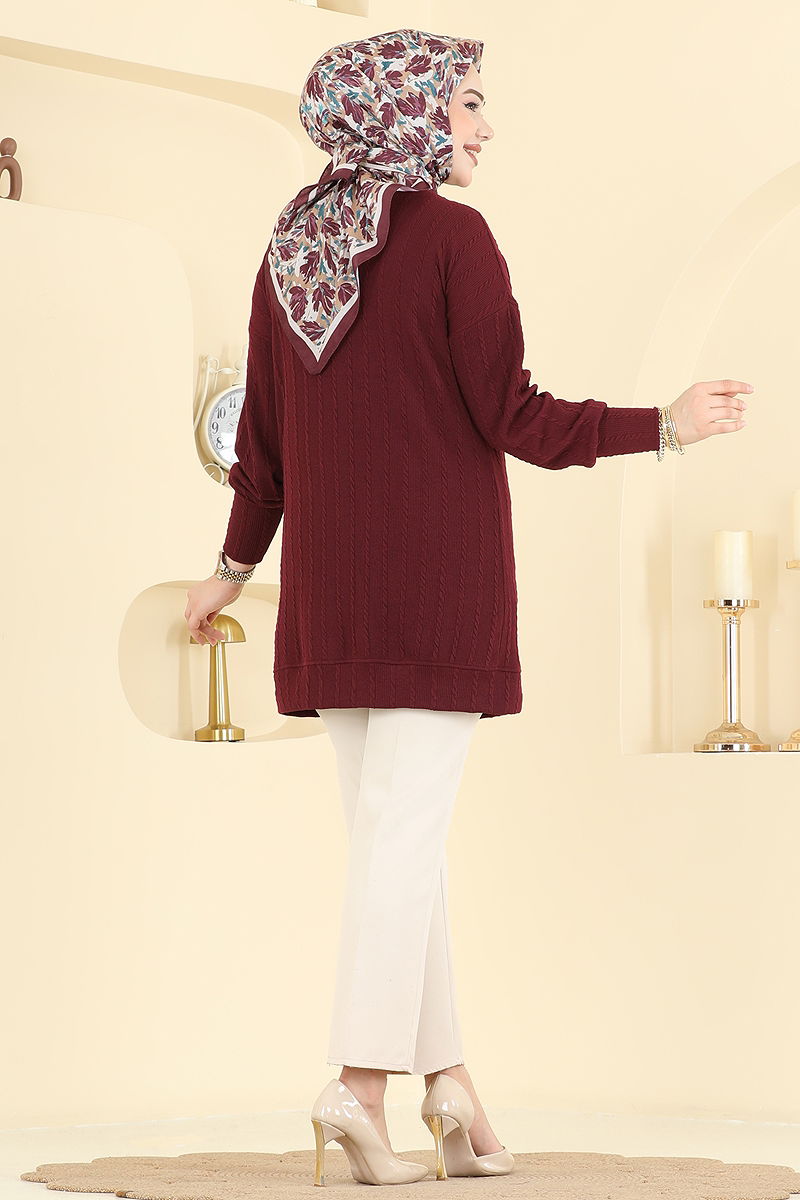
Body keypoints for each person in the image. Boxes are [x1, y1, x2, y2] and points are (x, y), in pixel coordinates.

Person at [184, 27, 752, 1187]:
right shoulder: (452, 239)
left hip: (332, 605)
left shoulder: (290, 251)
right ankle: (357, 1090)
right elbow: (515, 416)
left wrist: (232, 571)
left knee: (398, 850)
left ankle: (449, 1088)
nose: (485, 129)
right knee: (400, 847)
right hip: (435, 596)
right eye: (467, 105)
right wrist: (661, 426)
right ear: (403, 112)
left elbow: (263, 451)